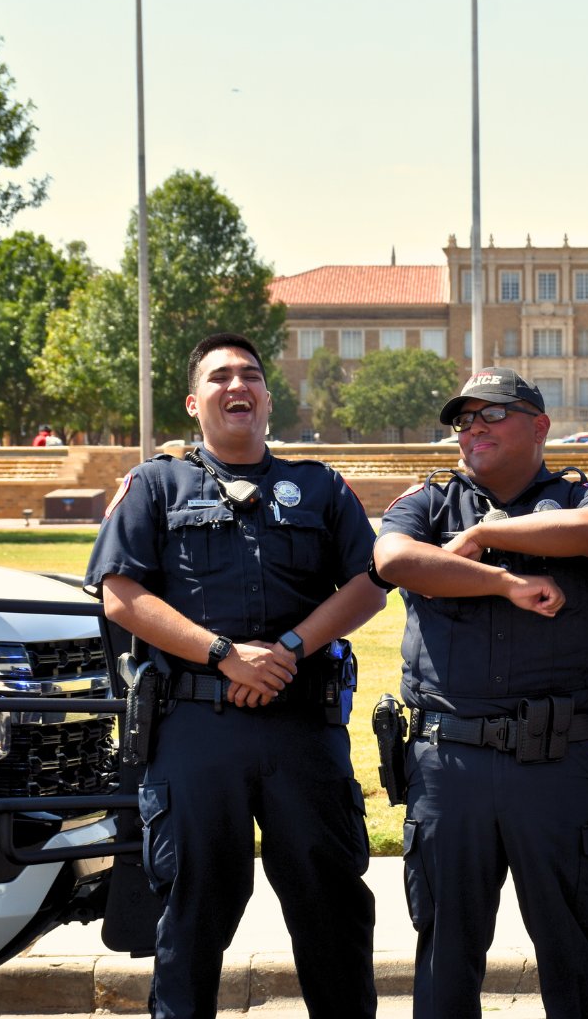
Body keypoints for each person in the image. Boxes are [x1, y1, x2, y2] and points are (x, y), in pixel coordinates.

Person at [84, 332, 386, 1019]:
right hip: (195, 730)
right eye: (219, 376)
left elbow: (369, 582)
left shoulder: (320, 486)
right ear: (195, 403)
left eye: (250, 374)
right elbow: (121, 595)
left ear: (268, 398)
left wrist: (286, 648)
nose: (236, 385)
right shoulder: (155, 485)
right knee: (193, 914)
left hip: (301, 727)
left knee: (331, 906)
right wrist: (226, 655)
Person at [371, 367, 588, 1019]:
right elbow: (396, 562)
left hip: (555, 764)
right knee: (445, 957)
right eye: (464, 419)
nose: (473, 429)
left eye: (492, 414)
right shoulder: (427, 504)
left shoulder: (581, 496)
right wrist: (505, 584)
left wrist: (487, 536)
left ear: (539, 425)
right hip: (447, 765)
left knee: (571, 950)